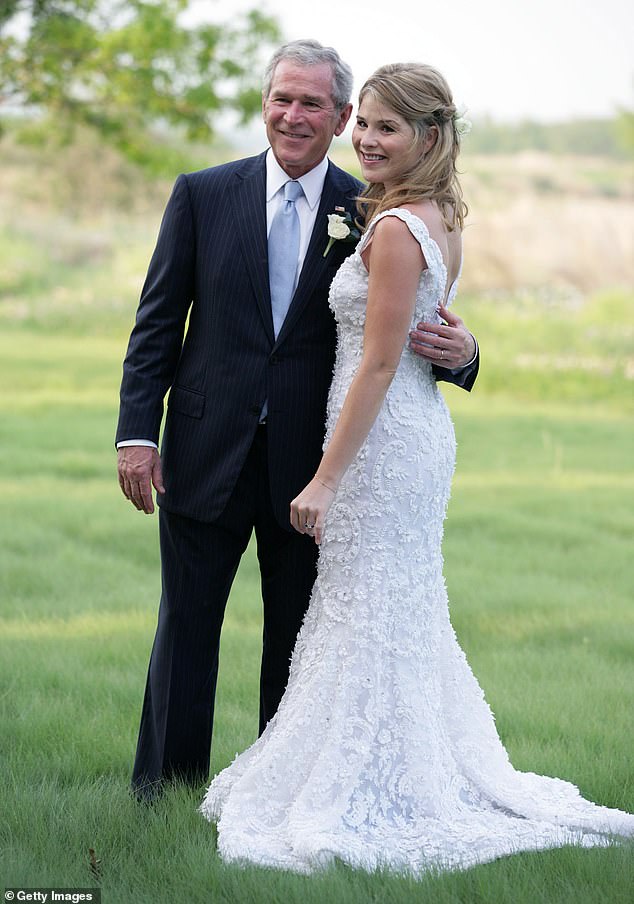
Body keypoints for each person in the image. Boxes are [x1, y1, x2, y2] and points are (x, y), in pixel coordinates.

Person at [200, 62, 634, 873]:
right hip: (403, 433)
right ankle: (389, 764)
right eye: (360, 122)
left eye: (385, 127)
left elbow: (376, 363)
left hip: (381, 442)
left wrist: (326, 477)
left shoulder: (397, 230)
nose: (364, 138)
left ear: (428, 136)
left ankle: (375, 781)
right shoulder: (435, 216)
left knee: (369, 610)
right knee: (379, 610)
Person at [116, 41, 479, 800]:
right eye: (283, 97)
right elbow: (157, 324)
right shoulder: (202, 194)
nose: (294, 115)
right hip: (206, 445)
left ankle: (273, 792)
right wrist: (138, 434)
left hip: (314, 461)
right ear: (264, 102)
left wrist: (467, 352)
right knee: (184, 629)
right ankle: (164, 792)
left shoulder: (374, 204)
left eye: (314, 103)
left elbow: (408, 329)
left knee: (296, 640)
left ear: (340, 116)